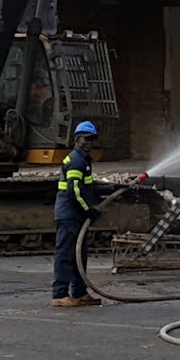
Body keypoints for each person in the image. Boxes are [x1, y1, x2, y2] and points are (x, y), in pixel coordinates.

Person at [52, 121, 108, 307]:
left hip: (76, 215)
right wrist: (88, 210)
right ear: (77, 140)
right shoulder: (76, 161)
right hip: (70, 215)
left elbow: (87, 187)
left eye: (92, 139)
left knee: (79, 256)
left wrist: (113, 188)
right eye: (86, 139)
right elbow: (74, 191)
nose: (89, 142)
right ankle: (59, 294)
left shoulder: (83, 160)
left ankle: (79, 293)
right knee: (66, 254)